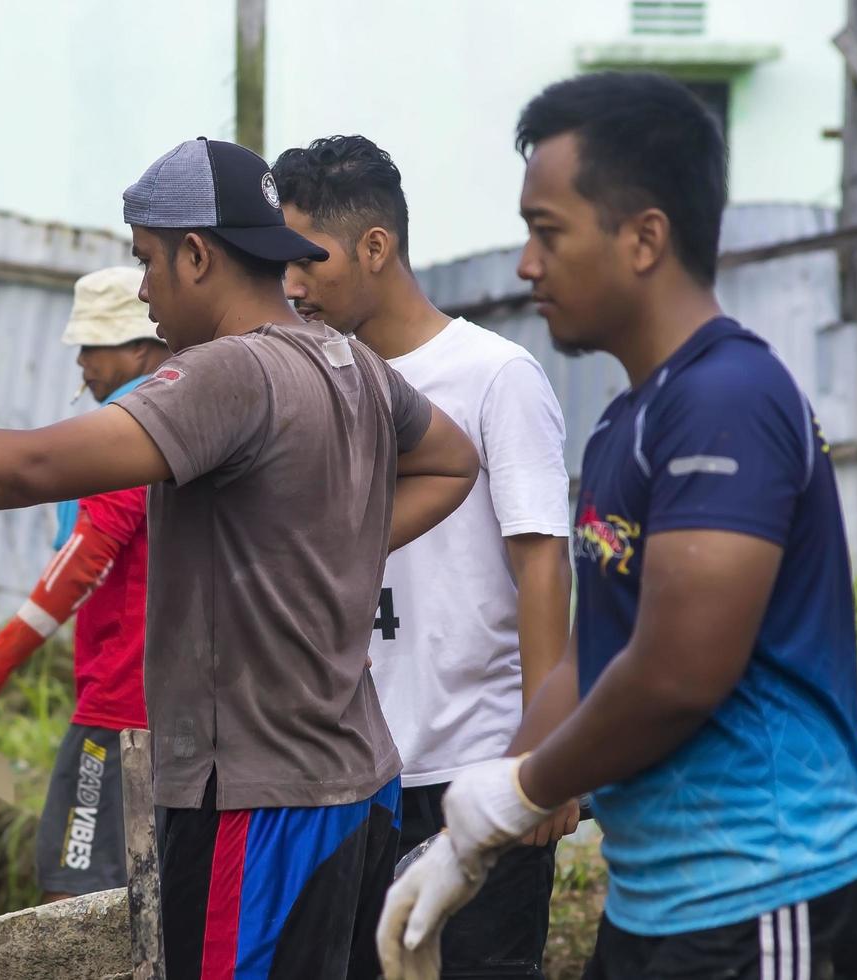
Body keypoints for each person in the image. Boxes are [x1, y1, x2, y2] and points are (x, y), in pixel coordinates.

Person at [0, 137, 480, 979]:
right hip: (361, 786)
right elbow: (452, 460)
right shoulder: (351, 363)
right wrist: (333, 544)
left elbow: (34, 464)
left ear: (198, 255)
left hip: (256, 802)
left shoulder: (228, 374)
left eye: (147, 261)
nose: (143, 289)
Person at [378, 71, 857, 980]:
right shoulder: (629, 421)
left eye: (547, 232)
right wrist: (472, 825)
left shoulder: (727, 399)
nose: (526, 265)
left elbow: (677, 670)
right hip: (661, 903)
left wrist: (521, 790)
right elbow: (594, 654)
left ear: (645, 237)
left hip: (771, 899)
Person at [273, 134, 573, 980]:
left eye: (310, 259)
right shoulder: (314, 381)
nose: (293, 284)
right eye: (282, 263)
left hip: (473, 770)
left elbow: (544, 563)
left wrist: (537, 761)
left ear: (377, 247)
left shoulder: (492, 376)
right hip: (345, 779)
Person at [0, 265, 168, 901]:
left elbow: (84, 556)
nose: (82, 363)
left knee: (77, 888)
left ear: (140, 348)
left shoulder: (133, 430)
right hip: (154, 700)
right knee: (133, 893)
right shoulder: (176, 415)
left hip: (123, 704)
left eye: (93, 346)